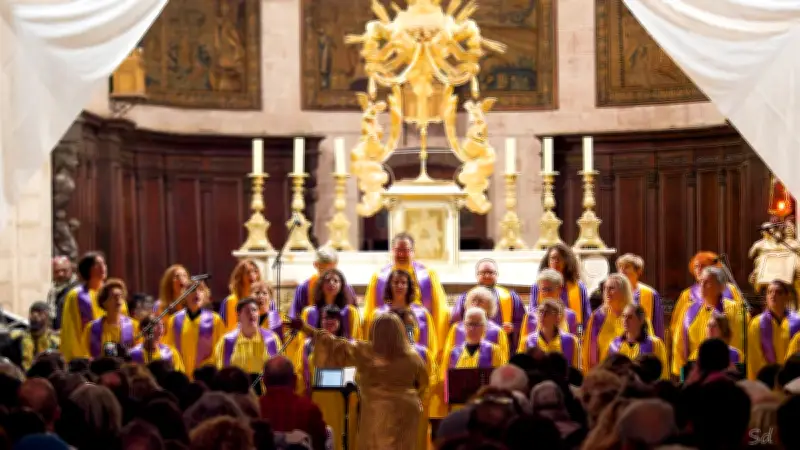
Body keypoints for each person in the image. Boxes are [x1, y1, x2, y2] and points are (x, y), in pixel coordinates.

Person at [287, 312, 430, 450]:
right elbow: (424, 384)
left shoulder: (366, 351)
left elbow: (333, 343)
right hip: (408, 409)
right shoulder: (413, 356)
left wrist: (306, 328)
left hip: (376, 409)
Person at [363, 232, 449, 346]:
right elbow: (369, 311)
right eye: (398, 250)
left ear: (413, 252)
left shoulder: (427, 276)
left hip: (417, 329)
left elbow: (439, 310)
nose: (402, 254)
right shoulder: (379, 277)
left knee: (410, 348)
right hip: (387, 331)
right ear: (392, 251)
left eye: (406, 250)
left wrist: (439, 345)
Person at [295, 305, 358, 450]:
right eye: (326, 318)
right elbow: (303, 373)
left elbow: (353, 375)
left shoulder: (348, 344)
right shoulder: (307, 346)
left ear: (340, 322)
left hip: (340, 400)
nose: (330, 321)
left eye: (334, 318)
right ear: (320, 321)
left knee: (338, 437)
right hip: (317, 398)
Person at [673, 266, 748, 376]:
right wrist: (681, 373)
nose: (702, 286)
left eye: (707, 282)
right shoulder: (689, 310)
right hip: (697, 371)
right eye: (701, 282)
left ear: (721, 287)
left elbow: (741, 342)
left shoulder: (736, 310)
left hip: (728, 370)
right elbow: (678, 343)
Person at [60, 252, 129, 362]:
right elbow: (71, 331)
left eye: (104, 264)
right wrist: (79, 359)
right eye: (97, 264)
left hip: (117, 352)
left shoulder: (116, 294)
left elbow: (125, 323)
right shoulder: (76, 296)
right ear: (87, 269)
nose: (103, 267)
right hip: (88, 355)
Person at [450, 259, 525, 350]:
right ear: (476, 276)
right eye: (483, 273)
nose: (487, 275)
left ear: (497, 275)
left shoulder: (510, 297)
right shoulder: (465, 297)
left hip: (502, 346)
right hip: (471, 348)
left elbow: (524, 322)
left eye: (491, 272)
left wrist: (513, 327)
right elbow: (456, 324)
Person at [259, 355, 328, 450]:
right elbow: (320, 444)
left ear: (264, 381)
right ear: (294, 380)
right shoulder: (310, 408)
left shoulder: (252, 409)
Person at [442, 308, 506, 407]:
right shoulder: (453, 352)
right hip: (459, 408)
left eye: (477, 324)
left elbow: (500, 380)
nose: (472, 328)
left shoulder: (494, 351)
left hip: (485, 408)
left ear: (485, 327)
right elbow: (445, 382)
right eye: (469, 324)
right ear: (464, 326)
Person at [365, 269, 438, 354]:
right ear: (390, 285)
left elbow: (413, 342)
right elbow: (371, 343)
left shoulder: (423, 314)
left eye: (403, 283)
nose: (399, 286)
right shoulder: (377, 314)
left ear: (409, 286)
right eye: (396, 282)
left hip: (411, 359)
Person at [670, 251, 745, 331]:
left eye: (703, 266)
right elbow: (677, 323)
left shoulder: (730, 289)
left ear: (714, 268)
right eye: (696, 266)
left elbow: (741, 316)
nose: (699, 269)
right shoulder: (687, 294)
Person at [165, 282, 225, 376]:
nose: (196, 293)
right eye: (192, 290)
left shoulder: (215, 320)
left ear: (205, 295)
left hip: (205, 377)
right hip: (181, 377)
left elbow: (220, 350)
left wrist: (206, 369)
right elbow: (169, 349)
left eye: (200, 290)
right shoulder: (174, 320)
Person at [747, 280, 800, 379]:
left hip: (793, 378)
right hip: (767, 379)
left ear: (787, 297)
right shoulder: (757, 323)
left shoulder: (797, 322)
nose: (773, 295)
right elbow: (754, 358)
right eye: (769, 292)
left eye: (778, 292)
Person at [215, 297, 281, 375]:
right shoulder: (226, 341)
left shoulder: (272, 339)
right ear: (238, 315)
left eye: (254, 310)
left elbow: (279, 370)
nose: (252, 313)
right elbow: (220, 372)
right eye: (247, 311)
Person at [531, 244, 590, 329]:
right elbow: (533, 313)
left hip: (571, 335)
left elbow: (584, 319)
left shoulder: (579, 287)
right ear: (547, 261)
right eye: (553, 258)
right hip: (543, 335)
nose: (556, 261)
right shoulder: (538, 286)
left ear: (567, 262)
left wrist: (579, 338)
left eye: (560, 259)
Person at [443, 287, 510, 361]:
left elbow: (503, 359)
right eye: (473, 300)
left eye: (480, 301)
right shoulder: (456, 328)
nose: (476, 303)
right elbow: (447, 357)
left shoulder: (497, 331)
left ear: (489, 305)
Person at [289, 247, 356, 319]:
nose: (328, 275)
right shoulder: (304, 288)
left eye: (332, 270)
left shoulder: (345, 288)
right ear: (315, 264)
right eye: (323, 270)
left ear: (336, 265)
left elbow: (352, 317)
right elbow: (295, 317)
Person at [81, 278, 139, 359]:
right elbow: (85, 354)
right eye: (114, 296)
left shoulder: (134, 326)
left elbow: (139, 353)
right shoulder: (91, 328)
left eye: (120, 296)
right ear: (104, 302)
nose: (118, 299)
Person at [607, 303, 668, 379]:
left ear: (641, 320)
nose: (625, 320)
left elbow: (663, 373)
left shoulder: (655, 344)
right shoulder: (614, 345)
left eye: (630, 317)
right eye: (623, 316)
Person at [518, 300, 581, 370]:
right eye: (541, 312)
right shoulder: (527, 341)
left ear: (557, 317)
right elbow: (520, 369)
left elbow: (576, 369)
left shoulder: (571, 341)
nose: (542, 316)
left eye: (547, 312)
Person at [616, 253, 664, 339]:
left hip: (644, 345)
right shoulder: (614, 293)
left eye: (626, 267)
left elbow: (657, 326)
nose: (621, 271)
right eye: (620, 267)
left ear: (638, 271)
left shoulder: (650, 294)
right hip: (619, 344)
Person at [519, 269, 578, 338]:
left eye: (550, 289)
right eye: (543, 289)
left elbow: (575, 343)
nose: (546, 293)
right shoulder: (530, 316)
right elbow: (523, 345)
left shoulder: (571, 315)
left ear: (559, 289)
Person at [7, 302, 60, 371]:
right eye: (32, 312)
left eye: (40, 313)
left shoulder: (55, 343)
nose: (35, 316)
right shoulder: (17, 338)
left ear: (48, 318)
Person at [219, 259, 262, 332]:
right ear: (240, 276)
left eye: (255, 271)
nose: (252, 275)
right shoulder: (228, 302)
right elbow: (221, 329)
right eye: (248, 272)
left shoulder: (264, 300)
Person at [48, 256, 78, 330]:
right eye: (56, 271)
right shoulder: (53, 292)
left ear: (71, 270)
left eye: (64, 270)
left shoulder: (77, 289)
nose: (60, 274)